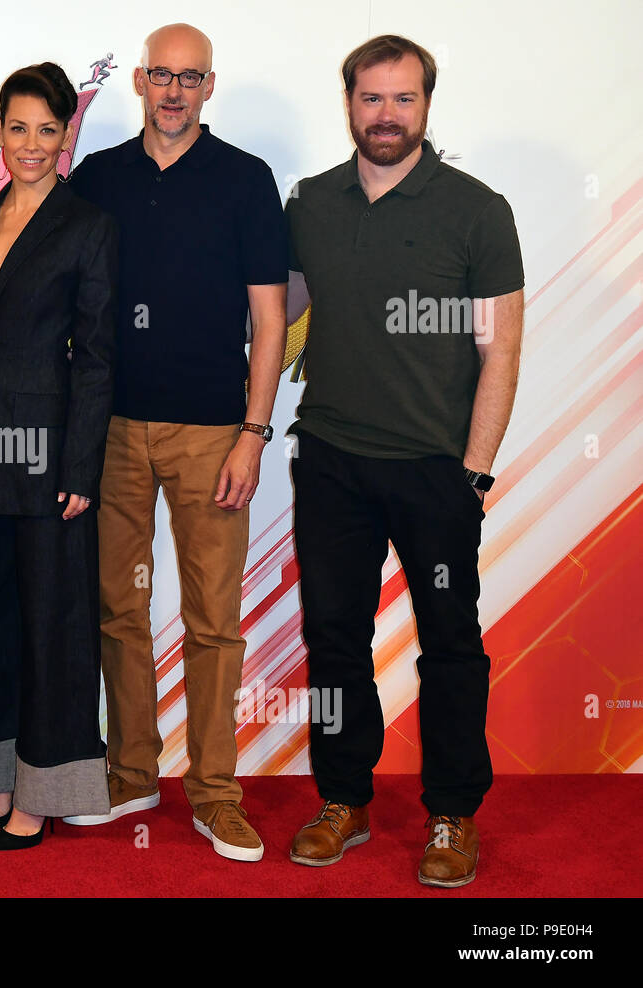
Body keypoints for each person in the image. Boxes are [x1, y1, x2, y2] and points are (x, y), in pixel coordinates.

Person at [284, 35, 523, 888]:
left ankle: (453, 814)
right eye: (371, 99)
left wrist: (476, 472)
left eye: (403, 99)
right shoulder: (308, 203)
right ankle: (343, 800)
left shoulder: (477, 209)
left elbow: (501, 351)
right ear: (348, 102)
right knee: (335, 640)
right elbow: (276, 326)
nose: (386, 116)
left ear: (427, 104)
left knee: (451, 646)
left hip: (435, 474)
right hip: (332, 465)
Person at [63, 23, 288, 862]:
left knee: (213, 622)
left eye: (189, 78)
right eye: (161, 74)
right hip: (113, 433)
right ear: (141, 82)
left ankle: (216, 793)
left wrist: (253, 435)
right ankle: (130, 775)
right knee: (119, 613)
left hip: (212, 435)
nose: (173, 91)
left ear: (209, 87)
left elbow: (270, 320)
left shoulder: (245, 179)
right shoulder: (98, 177)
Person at [0, 63, 118, 850]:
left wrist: (82, 468)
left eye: (48, 130)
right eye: (18, 128)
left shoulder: (88, 225)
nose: (32, 144)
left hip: (50, 459)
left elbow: (97, 358)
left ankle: (40, 793)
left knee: (53, 624)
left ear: (68, 136)